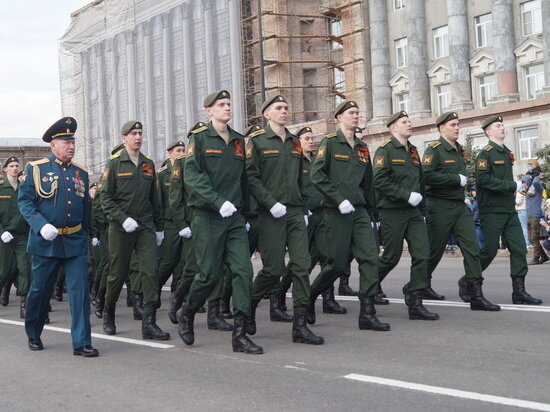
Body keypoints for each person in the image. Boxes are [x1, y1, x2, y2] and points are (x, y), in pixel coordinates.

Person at [177, 90, 262, 354]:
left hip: (234, 217)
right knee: (209, 274)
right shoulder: (199, 139)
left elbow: (243, 180)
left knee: (243, 271)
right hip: (208, 215)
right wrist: (217, 201)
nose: (227, 107)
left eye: (228, 103)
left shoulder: (238, 140)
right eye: (221, 105)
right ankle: (188, 311)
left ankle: (239, 335)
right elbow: (192, 176)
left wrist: (246, 214)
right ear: (208, 111)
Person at [246, 95, 324, 345]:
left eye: (286, 108)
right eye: (279, 108)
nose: (284, 111)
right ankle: (248, 305)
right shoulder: (256, 142)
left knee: (301, 266)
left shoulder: (294, 142)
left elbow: (302, 177)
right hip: (270, 214)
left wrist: (302, 205)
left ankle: (299, 327)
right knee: (273, 269)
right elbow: (251, 177)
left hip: (293, 212)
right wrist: (270, 203)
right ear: (267, 114)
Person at [18, 117, 98, 356]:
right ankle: (33, 332)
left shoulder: (81, 173)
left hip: (74, 242)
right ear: (53, 145)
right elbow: (24, 202)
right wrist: (40, 225)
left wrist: (92, 235)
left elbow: (86, 209)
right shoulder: (36, 169)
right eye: (65, 141)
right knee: (40, 291)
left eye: (73, 141)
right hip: (46, 242)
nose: (71, 146)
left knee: (80, 293)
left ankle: (82, 342)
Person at [308, 101, 388, 331]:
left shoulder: (362, 148)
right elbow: (317, 175)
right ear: (339, 118)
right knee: (336, 264)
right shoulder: (330, 143)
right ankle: (311, 297)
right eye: (351, 113)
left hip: (360, 212)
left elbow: (368, 183)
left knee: (370, 258)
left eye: (357, 113)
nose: (355, 116)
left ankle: (367, 313)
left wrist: (375, 214)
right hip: (336, 212)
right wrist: (337, 198)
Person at [101, 120, 170, 340]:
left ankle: (149, 323)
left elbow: (155, 199)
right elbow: (105, 197)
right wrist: (122, 219)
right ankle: (108, 311)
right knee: (118, 273)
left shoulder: (148, 163)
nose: (138, 137)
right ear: (124, 138)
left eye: (140, 133)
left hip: (145, 226)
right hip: (121, 228)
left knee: (150, 272)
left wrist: (158, 227)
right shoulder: (114, 163)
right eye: (133, 134)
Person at [422, 112, 499, 311]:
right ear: (442, 128)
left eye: (458, 124)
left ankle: (476, 294)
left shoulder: (459, 150)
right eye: (453, 125)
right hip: (439, 206)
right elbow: (427, 176)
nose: (457, 128)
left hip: (459, 206)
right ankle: (419, 284)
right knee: (434, 251)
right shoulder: (434, 150)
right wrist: (455, 179)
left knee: (472, 249)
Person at [373, 111, 439, 321]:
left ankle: (414, 298)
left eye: (409, 121)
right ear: (393, 128)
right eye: (404, 122)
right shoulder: (385, 150)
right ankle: (371, 284)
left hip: (413, 212)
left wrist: (422, 211)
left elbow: (420, 182)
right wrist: (404, 195)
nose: (409, 124)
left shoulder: (412, 151)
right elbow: (379, 180)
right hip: (392, 211)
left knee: (422, 254)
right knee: (391, 256)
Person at [474, 115, 542, 305]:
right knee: (489, 251)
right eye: (498, 125)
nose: (502, 128)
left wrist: (518, 185)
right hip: (491, 210)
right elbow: (483, 180)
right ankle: (470, 281)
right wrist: (513, 185)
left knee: (519, 249)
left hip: (508, 209)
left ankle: (519, 292)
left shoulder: (506, 152)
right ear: (489, 132)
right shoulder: (485, 153)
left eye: (503, 125)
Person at [0, 156, 32, 318]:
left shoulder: (24, 188)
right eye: (11, 166)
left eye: (16, 166)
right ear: (5, 169)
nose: (14, 168)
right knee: (4, 271)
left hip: (22, 235)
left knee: (25, 268)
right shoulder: (1, 187)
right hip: (4, 235)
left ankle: (24, 305)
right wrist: (1, 231)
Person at [156, 141, 186, 303]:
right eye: (178, 150)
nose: (181, 153)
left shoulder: (187, 170)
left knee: (183, 263)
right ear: (170, 153)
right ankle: (154, 291)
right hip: (169, 224)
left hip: (185, 223)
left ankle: (178, 296)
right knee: (168, 262)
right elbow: (158, 202)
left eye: (183, 150)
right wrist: (159, 227)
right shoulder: (161, 174)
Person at [521, 160, 548, 265]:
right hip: (529, 215)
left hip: (535, 215)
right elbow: (523, 183)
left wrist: (535, 175)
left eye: (526, 184)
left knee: (534, 237)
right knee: (531, 238)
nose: (525, 185)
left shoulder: (537, 187)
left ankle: (536, 258)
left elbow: (536, 182)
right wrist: (528, 176)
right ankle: (544, 256)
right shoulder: (528, 191)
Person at [515, 174, 531, 247]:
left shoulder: (520, 191)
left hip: (522, 210)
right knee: (528, 228)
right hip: (527, 210)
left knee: (524, 228)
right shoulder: (527, 189)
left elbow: (518, 202)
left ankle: (527, 243)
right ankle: (529, 243)